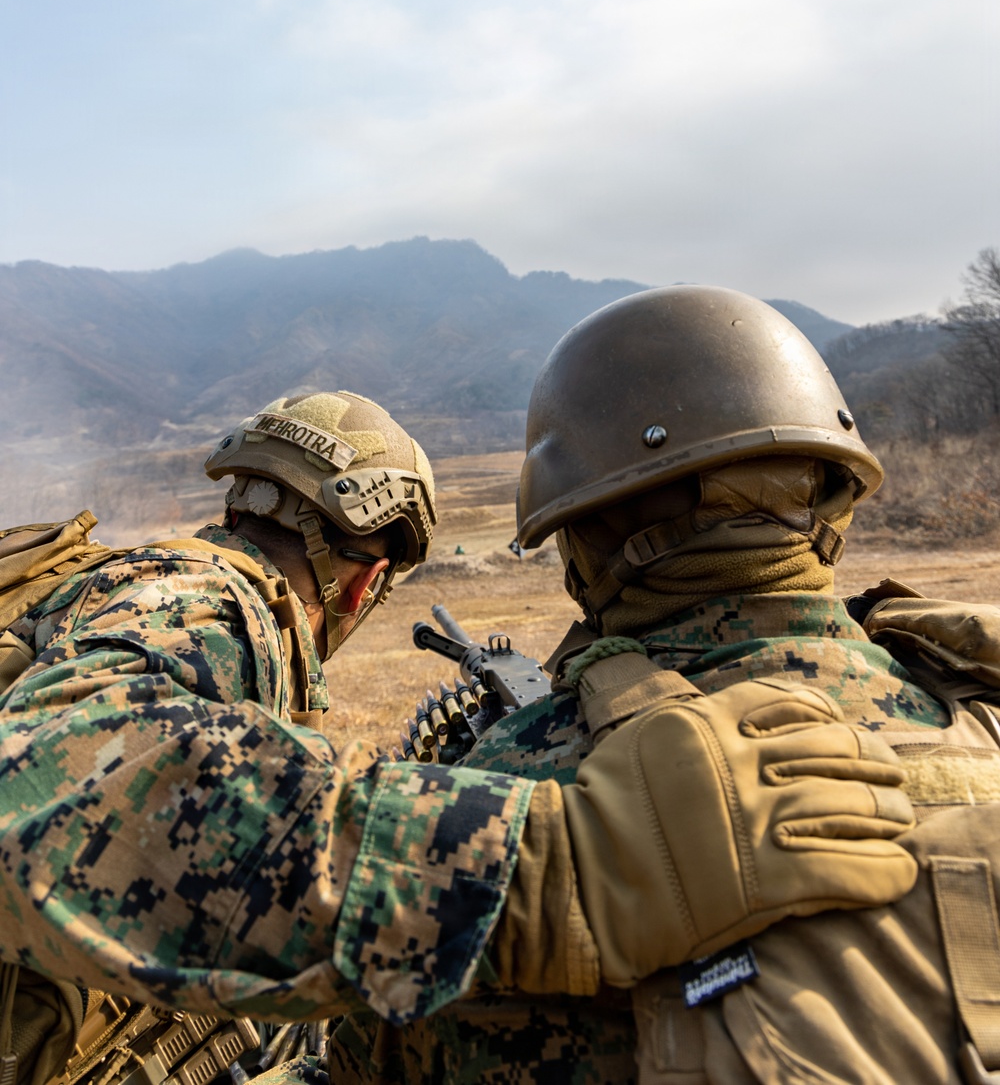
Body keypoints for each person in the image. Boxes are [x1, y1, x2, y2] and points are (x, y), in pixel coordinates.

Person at [0, 387, 917, 1085]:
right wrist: (553, 865)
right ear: (365, 586)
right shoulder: (208, 601)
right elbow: (38, 782)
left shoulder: (113, 585)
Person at [334, 289, 1000, 1085]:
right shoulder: (979, 705)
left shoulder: (509, 795)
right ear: (833, 492)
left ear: (584, 535)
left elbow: (376, 1046)